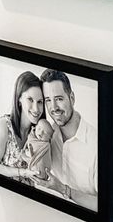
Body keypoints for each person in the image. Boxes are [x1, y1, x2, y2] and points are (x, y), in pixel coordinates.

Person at [34, 68, 98, 211]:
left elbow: (105, 207)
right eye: (48, 100)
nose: (54, 107)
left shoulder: (96, 145)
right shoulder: (47, 134)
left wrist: (63, 189)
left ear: (72, 98)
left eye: (59, 99)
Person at [0, 70, 46, 183]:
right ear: (19, 99)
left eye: (40, 102)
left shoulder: (39, 134)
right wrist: (22, 172)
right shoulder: (4, 126)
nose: (36, 109)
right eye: (30, 100)